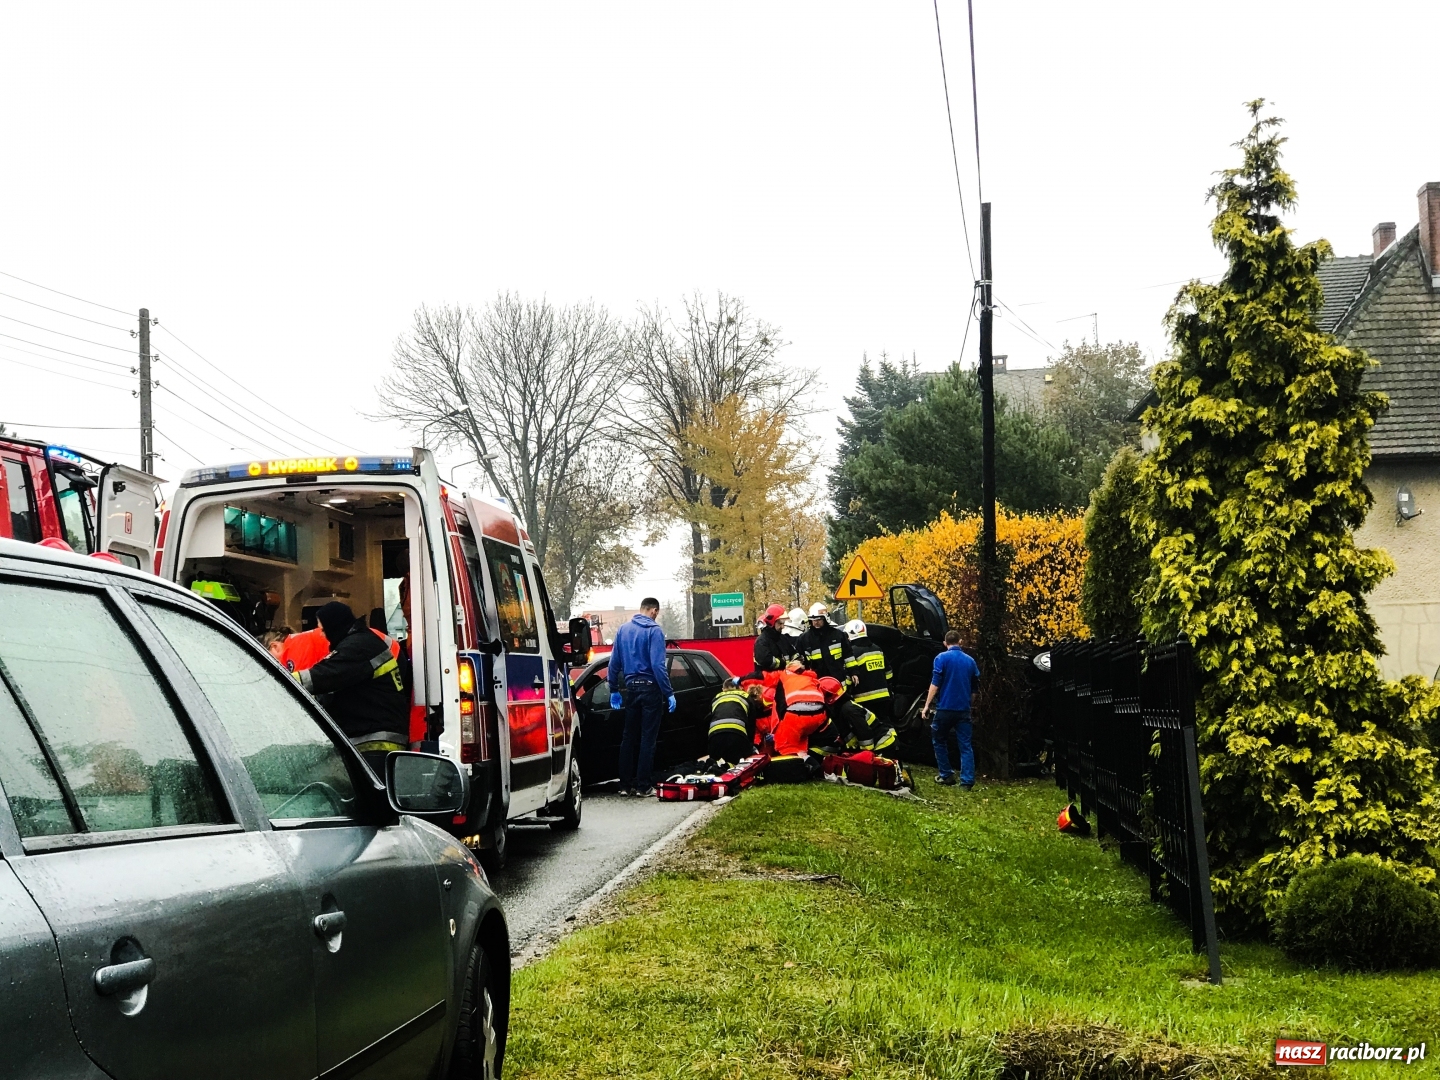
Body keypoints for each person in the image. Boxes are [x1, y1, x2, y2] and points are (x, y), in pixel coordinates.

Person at [296, 602, 411, 773]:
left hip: (375, 744)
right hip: (376, 741)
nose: (322, 635)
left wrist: (276, 679)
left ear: (334, 625)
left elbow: (320, 677)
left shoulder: (358, 647)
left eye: (323, 629)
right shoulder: (362, 643)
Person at [607, 597, 675, 796]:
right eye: (657, 613)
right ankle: (644, 786)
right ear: (653, 610)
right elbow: (657, 665)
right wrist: (669, 692)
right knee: (648, 738)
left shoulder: (623, 630)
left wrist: (613, 689)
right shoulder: (654, 631)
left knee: (628, 737)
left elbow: (614, 663)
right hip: (650, 688)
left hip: (631, 689)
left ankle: (625, 785)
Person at [921, 630, 981, 789]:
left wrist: (927, 705)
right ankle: (967, 781)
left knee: (939, 739)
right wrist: (969, 704)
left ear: (945, 643)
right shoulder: (970, 661)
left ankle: (946, 774)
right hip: (963, 710)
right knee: (966, 745)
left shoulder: (941, 658)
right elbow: (974, 689)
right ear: (960, 642)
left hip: (945, 709)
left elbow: (935, 683)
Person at [819, 675, 897, 752]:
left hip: (883, 744)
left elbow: (865, 734)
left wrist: (866, 756)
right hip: (876, 744)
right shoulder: (841, 709)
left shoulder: (849, 710)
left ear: (829, 698)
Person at [706, 678, 766, 766]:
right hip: (737, 735)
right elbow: (751, 726)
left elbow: (709, 718)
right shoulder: (746, 696)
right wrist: (749, 746)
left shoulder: (716, 698)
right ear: (739, 688)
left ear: (723, 689)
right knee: (740, 766)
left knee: (717, 766)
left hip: (715, 735)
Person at [842, 619, 895, 719]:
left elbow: (848, 679)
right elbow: (889, 672)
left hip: (863, 700)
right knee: (884, 726)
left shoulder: (852, 653)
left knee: (869, 729)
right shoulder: (877, 649)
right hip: (883, 697)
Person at [798, 602, 850, 681]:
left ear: (826, 618)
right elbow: (799, 661)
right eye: (813, 620)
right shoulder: (804, 639)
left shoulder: (838, 635)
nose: (816, 622)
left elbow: (848, 656)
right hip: (816, 683)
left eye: (819, 619)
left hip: (838, 682)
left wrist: (853, 672)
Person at [752, 602, 798, 675]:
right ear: (771, 623)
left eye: (783, 623)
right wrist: (784, 663)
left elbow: (794, 654)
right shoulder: (761, 642)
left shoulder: (782, 639)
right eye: (780, 623)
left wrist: (797, 662)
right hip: (768, 683)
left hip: (785, 680)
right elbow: (767, 661)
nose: (782, 626)